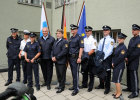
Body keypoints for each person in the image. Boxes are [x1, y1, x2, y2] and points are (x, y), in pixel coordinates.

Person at [95, 25, 114, 94]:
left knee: (107, 73)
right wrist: (98, 57)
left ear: (109, 31)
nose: (105, 31)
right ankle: (101, 85)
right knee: (100, 71)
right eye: (104, 30)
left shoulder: (111, 40)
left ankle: (107, 88)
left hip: (107, 59)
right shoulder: (101, 40)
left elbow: (110, 51)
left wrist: (103, 58)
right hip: (101, 58)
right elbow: (99, 49)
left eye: (106, 30)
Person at [123, 24, 140, 98]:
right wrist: (125, 57)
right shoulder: (131, 39)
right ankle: (130, 88)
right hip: (128, 61)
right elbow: (128, 50)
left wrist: (128, 59)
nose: (133, 31)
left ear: (138, 31)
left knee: (134, 77)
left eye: (135, 29)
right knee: (129, 76)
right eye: (132, 29)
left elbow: (136, 53)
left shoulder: (139, 40)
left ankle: (135, 92)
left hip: (134, 62)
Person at [80, 26, 97, 92]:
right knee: (84, 71)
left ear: (91, 32)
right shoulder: (84, 39)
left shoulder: (93, 40)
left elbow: (93, 50)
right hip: (85, 57)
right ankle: (84, 84)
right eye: (86, 31)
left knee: (91, 73)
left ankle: (90, 86)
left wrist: (86, 55)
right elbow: (82, 48)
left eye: (88, 31)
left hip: (90, 57)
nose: (87, 32)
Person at [68, 24, 84, 96]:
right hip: (70, 58)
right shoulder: (71, 38)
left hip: (76, 58)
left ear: (76, 30)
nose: (72, 30)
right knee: (73, 73)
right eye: (71, 29)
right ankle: (74, 85)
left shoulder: (79, 37)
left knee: (75, 74)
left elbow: (81, 48)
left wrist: (79, 57)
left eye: (73, 29)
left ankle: (76, 89)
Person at [52, 29, 69, 93]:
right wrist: (52, 57)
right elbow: (52, 50)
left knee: (62, 75)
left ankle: (62, 87)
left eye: (59, 33)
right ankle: (59, 85)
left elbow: (64, 51)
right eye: (57, 33)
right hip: (56, 61)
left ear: (62, 34)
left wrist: (56, 57)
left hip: (62, 61)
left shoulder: (65, 42)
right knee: (58, 74)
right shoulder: (55, 41)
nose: (57, 34)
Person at [112, 33, 127, 99]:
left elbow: (120, 58)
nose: (119, 39)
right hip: (115, 65)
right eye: (118, 38)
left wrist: (114, 63)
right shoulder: (118, 46)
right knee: (115, 80)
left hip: (120, 66)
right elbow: (114, 55)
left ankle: (119, 93)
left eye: (121, 38)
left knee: (117, 80)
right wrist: (112, 62)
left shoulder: (123, 47)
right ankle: (117, 92)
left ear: (123, 39)